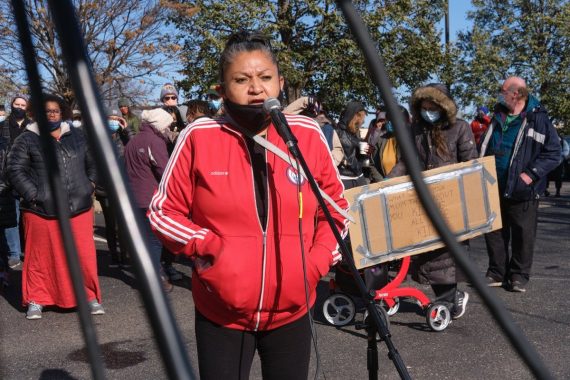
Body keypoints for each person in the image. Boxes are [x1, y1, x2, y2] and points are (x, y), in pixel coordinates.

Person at [148, 30, 348, 379]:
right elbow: (163, 212)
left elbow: (336, 210)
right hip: (221, 314)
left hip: (293, 312)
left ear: (280, 83)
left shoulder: (308, 135)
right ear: (222, 90)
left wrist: (316, 262)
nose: (256, 88)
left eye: (266, 78)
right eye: (242, 80)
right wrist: (210, 249)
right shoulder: (199, 136)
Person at [7, 94, 103, 319]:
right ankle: (36, 299)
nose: (51, 115)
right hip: (41, 210)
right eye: (46, 111)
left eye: (55, 111)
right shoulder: (27, 139)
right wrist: (34, 194)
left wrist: (88, 185)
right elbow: (14, 170)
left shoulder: (78, 136)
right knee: (40, 258)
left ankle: (89, 296)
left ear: (63, 113)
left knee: (83, 256)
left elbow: (95, 163)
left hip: (78, 208)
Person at [388, 83, 477, 320]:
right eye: (424, 107)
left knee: (446, 254)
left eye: (432, 107)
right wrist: (387, 183)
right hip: (422, 201)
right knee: (428, 254)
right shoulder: (414, 130)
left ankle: (447, 300)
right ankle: (451, 298)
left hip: (451, 202)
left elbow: (470, 165)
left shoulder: (460, 128)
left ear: (442, 107)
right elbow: (404, 162)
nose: (428, 111)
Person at [480, 76, 561, 292]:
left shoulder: (539, 119)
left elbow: (554, 153)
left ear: (516, 94)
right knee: (494, 230)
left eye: (503, 90)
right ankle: (497, 271)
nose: (500, 93)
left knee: (523, 233)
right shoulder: (498, 115)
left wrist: (531, 174)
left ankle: (518, 275)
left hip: (523, 188)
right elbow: (484, 144)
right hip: (493, 184)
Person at [123, 107, 175, 291]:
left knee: (144, 239)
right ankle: (154, 280)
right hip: (150, 197)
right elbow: (165, 171)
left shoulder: (133, 141)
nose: (169, 129)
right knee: (154, 241)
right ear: (160, 124)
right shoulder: (155, 141)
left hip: (133, 197)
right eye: (168, 125)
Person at [95, 113, 133, 267]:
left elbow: (136, 145)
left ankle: (125, 256)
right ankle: (114, 255)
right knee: (111, 224)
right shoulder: (97, 139)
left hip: (122, 188)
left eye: (116, 120)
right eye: (110, 119)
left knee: (123, 223)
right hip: (104, 188)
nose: (113, 122)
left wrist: (126, 129)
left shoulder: (124, 139)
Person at [0, 94, 32, 270]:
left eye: (23, 104)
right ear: (11, 105)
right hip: (8, 177)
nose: (19, 107)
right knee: (12, 218)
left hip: (29, 178)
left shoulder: (33, 127)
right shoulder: (2, 126)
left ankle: (29, 250)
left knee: (29, 217)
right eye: (16, 103)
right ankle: (13, 253)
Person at [284, 96, 343, 166]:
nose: (317, 112)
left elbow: (338, 150)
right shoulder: (296, 124)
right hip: (296, 169)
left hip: (320, 172)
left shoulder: (328, 128)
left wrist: (330, 162)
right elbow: (281, 118)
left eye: (321, 110)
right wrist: (305, 101)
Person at [368, 106, 410, 182]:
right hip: (385, 186)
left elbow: (406, 163)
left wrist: (390, 179)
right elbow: (372, 164)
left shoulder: (411, 139)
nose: (390, 122)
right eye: (388, 120)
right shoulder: (381, 139)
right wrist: (382, 182)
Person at [335, 100, 369, 188]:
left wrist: (364, 153)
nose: (363, 121)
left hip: (358, 176)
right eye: (362, 118)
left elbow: (355, 155)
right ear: (356, 116)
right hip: (344, 179)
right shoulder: (338, 132)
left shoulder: (353, 132)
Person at [544, 131, 569, 197]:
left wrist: (558, 155)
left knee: (558, 177)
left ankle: (558, 192)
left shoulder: (563, 142)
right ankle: (545, 190)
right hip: (548, 162)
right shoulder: (548, 140)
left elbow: (566, 151)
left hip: (558, 163)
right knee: (546, 177)